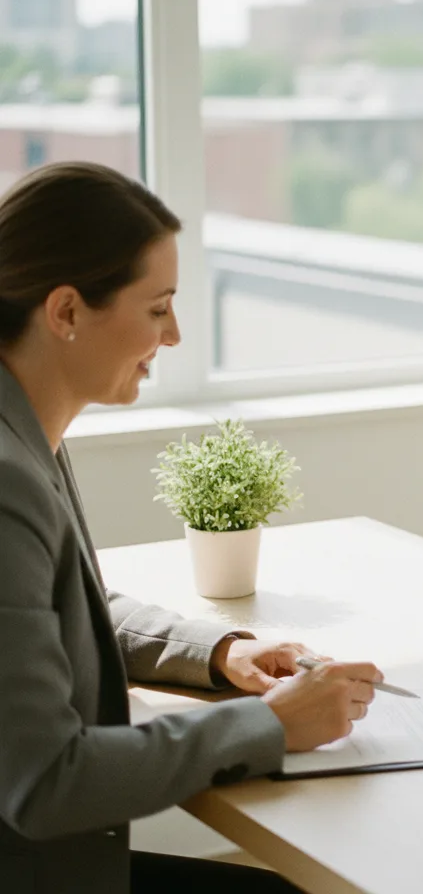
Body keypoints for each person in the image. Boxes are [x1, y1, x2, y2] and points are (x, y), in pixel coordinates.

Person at [0, 162, 383, 894]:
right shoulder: (6, 478)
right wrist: (272, 725)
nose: (173, 336)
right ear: (67, 312)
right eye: (157, 308)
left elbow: (54, 618)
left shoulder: (27, 432)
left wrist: (220, 651)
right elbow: (47, 781)